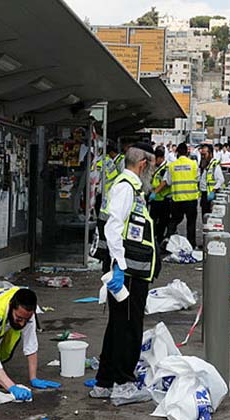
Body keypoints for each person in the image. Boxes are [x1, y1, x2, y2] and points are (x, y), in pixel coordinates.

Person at [90, 144, 161, 402]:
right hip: (128, 272)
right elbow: (113, 227)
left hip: (130, 270)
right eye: (151, 167)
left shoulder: (128, 188)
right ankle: (123, 383)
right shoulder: (126, 188)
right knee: (129, 328)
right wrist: (119, 264)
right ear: (143, 164)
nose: (152, 172)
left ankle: (105, 382)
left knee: (119, 326)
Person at [165, 143, 201, 248]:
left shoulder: (172, 166)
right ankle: (191, 244)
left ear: (177, 152)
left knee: (174, 220)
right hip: (191, 199)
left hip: (177, 199)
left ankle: (168, 240)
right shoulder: (193, 164)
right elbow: (197, 178)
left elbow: (168, 181)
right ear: (187, 152)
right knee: (191, 223)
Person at [149, 147, 172, 246]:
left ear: (161, 158)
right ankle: (154, 238)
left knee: (162, 221)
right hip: (155, 199)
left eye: (156, 159)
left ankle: (159, 239)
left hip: (164, 199)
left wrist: (155, 192)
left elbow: (164, 182)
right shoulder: (157, 167)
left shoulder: (167, 167)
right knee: (153, 220)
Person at [199, 144, 224, 216]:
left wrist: (213, 191)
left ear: (210, 154)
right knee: (204, 216)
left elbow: (221, 180)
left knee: (209, 217)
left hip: (210, 195)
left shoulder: (214, 165)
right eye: (202, 154)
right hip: (204, 194)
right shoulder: (205, 164)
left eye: (204, 154)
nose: (203, 156)